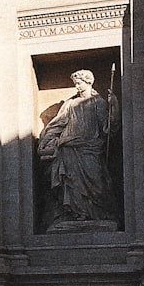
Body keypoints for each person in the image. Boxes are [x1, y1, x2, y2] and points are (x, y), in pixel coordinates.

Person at [37, 70, 118, 228]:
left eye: (79, 83)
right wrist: (48, 140)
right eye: (75, 84)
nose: (77, 86)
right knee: (71, 182)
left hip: (90, 147)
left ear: (89, 82)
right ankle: (76, 214)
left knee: (96, 181)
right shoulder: (70, 104)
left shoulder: (98, 103)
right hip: (69, 147)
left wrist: (114, 107)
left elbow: (107, 129)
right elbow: (57, 124)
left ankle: (97, 214)